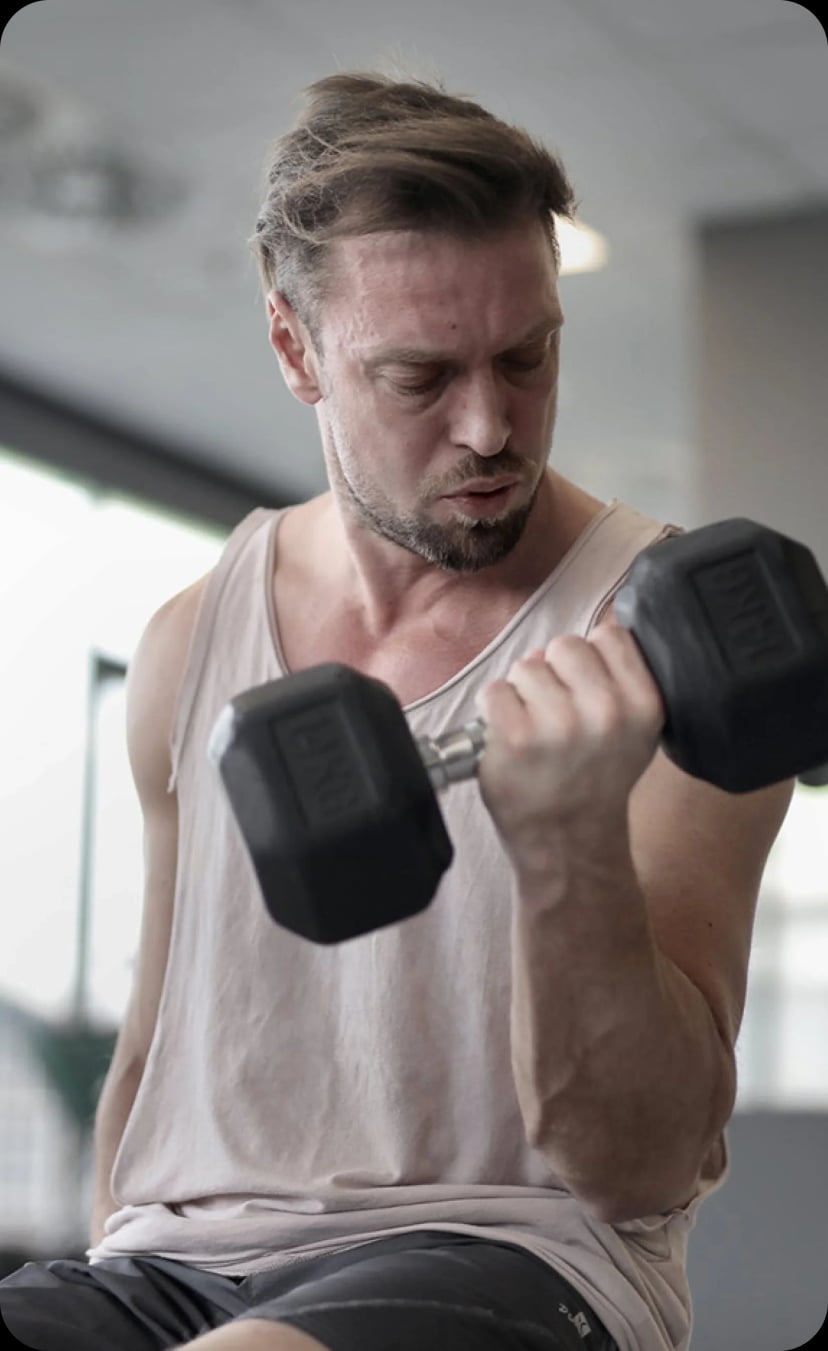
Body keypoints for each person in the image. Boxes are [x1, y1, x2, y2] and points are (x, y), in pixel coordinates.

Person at [0, 72, 793, 1351]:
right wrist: (112, 1255)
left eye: (527, 358)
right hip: (175, 1261)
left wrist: (567, 845)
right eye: (420, 376)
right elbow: (155, 1051)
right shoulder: (191, 642)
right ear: (293, 348)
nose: (491, 427)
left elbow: (642, 1161)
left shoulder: (669, 635)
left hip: (517, 1251)